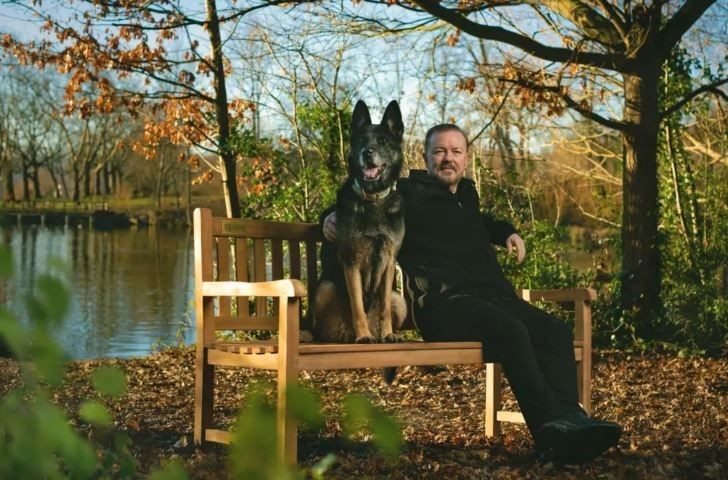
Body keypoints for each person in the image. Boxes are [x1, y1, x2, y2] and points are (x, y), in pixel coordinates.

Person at [322, 123, 621, 464]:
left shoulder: (467, 195)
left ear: (466, 158)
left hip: (494, 299)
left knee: (554, 331)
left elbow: (480, 222)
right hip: (443, 305)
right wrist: (329, 217)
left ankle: (571, 420)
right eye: (439, 151)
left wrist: (506, 232)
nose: (448, 158)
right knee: (511, 330)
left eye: (456, 152)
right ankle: (550, 429)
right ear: (425, 157)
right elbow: (362, 194)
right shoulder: (405, 191)